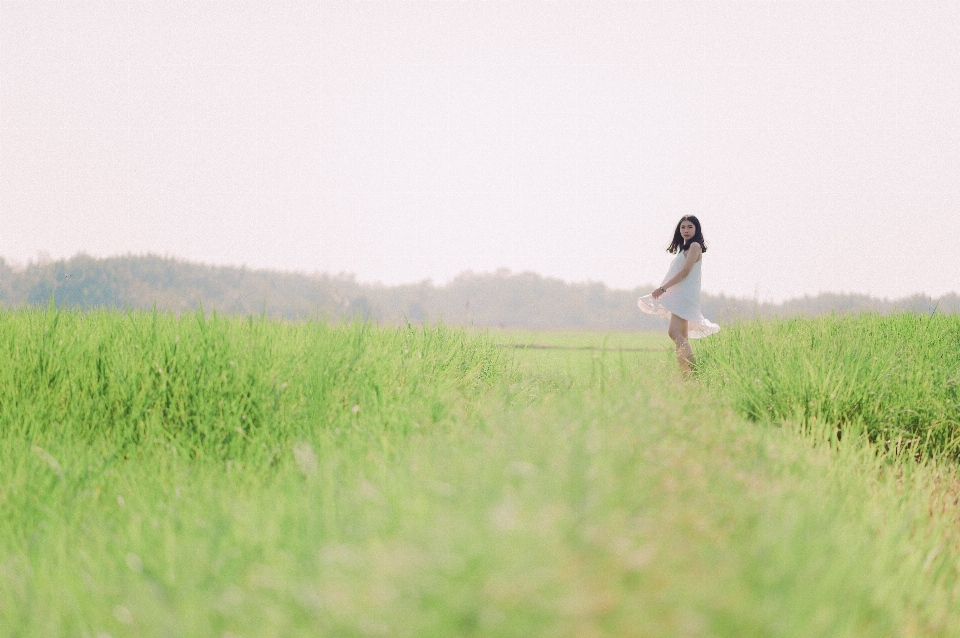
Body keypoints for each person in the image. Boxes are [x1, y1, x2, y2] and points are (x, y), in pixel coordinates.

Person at [637, 215, 720, 373]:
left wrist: (662, 289)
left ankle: (696, 371)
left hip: (685, 296)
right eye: (683, 227)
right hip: (680, 295)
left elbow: (685, 271)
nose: (686, 230)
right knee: (682, 339)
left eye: (690, 227)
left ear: (696, 229)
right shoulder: (684, 248)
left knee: (673, 333)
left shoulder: (695, 246)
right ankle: (686, 376)